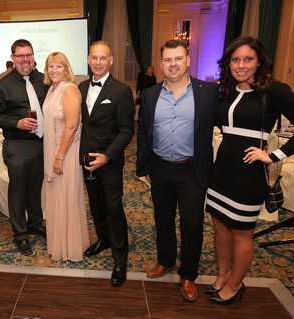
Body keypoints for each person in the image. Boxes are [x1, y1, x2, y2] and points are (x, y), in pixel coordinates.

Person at [205, 36, 294, 304]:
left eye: (248, 59)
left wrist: (273, 156)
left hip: (249, 174)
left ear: (259, 62)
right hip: (221, 170)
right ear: (228, 63)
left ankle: (234, 285)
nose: (241, 65)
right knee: (219, 225)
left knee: (242, 232)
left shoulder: (275, 90)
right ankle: (222, 276)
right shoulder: (225, 90)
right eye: (235, 60)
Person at [136, 39, 218, 302]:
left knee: (193, 223)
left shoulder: (207, 93)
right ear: (161, 64)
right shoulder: (150, 95)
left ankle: (188, 274)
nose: (173, 64)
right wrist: (143, 165)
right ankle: (166, 260)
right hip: (160, 168)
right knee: (163, 218)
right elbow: (143, 132)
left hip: (192, 169)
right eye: (168, 60)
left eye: (178, 58)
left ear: (188, 60)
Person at [79, 40, 135, 286]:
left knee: (114, 209)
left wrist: (107, 156)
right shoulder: (80, 87)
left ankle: (120, 259)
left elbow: (126, 130)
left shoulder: (121, 90)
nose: (98, 62)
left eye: (103, 58)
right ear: (89, 59)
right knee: (96, 205)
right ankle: (103, 239)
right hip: (87, 159)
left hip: (109, 161)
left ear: (111, 60)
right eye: (94, 57)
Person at [0, 39, 49, 256]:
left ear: (34, 56)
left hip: (43, 143)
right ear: (13, 58)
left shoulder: (45, 79)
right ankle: (20, 234)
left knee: (36, 185)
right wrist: (17, 123)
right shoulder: (3, 85)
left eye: (28, 55)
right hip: (17, 143)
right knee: (18, 190)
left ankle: (35, 222)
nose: (25, 60)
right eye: (20, 56)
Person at [42, 52, 89, 262]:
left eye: (58, 66)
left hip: (66, 153)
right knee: (57, 198)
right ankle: (59, 242)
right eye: (50, 66)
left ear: (66, 69)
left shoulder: (69, 89)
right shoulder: (52, 89)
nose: (54, 70)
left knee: (66, 198)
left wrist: (59, 156)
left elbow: (71, 126)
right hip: (54, 150)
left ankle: (70, 246)